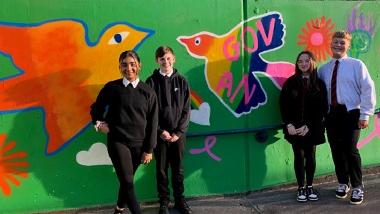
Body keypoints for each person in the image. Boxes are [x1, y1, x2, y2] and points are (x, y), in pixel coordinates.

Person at [90, 50, 158, 214]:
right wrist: (99, 124)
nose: (129, 68)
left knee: (126, 181)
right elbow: (96, 108)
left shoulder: (148, 92)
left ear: (139, 66)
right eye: (125, 64)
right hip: (118, 141)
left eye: (132, 64)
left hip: (139, 145)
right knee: (127, 182)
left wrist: (148, 150)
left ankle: (119, 209)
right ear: (120, 67)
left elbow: (153, 123)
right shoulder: (112, 88)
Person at [319, 30, 376, 205]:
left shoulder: (357, 65)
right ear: (331, 44)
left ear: (348, 45)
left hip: (351, 113)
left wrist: (365, 114)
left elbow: (368, 88)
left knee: (350, 149)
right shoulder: (323, 69)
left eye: (342, 42)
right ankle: (344, 182)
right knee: (336, 149)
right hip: (332, 114)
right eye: (335, 42)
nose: (338, 45)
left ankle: (358, 186)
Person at [146, 46, 191, 214]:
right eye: (162, 59)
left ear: (174, 59)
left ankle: (180, 200)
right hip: (160, 135)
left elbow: (187, 109)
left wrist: (178, 133)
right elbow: (149, 112)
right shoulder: (151, 82)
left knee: (178, 168)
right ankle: (164, 202)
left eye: (168, 58)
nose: (166, 62)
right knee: (162, 169)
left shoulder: (182, 80)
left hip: (178, 136)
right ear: (157, 61)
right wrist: (159, 131)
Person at [280, 50, 328, 202]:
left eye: (306, 61)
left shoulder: (319, 83)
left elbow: (322, 108)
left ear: (312, 62)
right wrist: (288, 124)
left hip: (312, 127)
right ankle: (300, 187)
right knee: (299, 156)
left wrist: (310, 126)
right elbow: (283, 105)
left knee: (311, 156)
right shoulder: (290, 82)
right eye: (300, 61)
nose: (303, 64)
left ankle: (310, 186)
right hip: (294, 127)